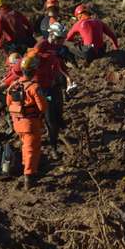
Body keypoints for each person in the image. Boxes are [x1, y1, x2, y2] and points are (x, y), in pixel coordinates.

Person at [30, 23, 74, 152]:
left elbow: (58, 63)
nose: (61, 41)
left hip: (53, 85)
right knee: (50, 119)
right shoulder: (40, 46)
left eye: (62, 39)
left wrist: (67, 76)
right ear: (51, 34)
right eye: (59, 38)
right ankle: (53, 147)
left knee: (59, 112)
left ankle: (57, 135)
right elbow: (30, 64)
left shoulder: (55, 47)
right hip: (42, 88)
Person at [6, 55, 48, 189]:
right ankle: (29, 176)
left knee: (25, 146)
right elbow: (43, 107)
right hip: (30, 124)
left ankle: (28, 168)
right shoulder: (34, 87)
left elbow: (8, 103)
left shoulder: (13, 85)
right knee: (32, 149)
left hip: (17, 123)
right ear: (34, 71)